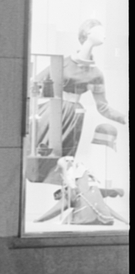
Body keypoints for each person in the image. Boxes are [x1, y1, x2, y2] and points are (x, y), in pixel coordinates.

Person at [29, 18, 126, 183]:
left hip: (74, 116)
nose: (104, 35)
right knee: (42, 151)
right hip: (52, 111)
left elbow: (103, 107)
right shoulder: (63, 63)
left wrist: (124, 118)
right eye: (100, 30)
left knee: (62, 160)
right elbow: (36, 84)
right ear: (88, 33)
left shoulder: (96, 74)